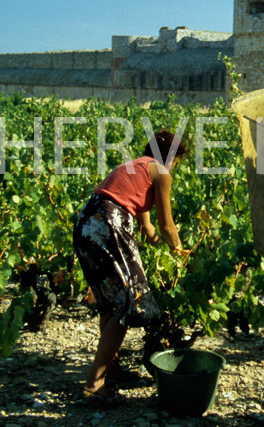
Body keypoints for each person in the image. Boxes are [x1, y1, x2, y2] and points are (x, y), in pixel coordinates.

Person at [72, 129, 189, 400]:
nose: (175, 166)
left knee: (109, 303)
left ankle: (111, 370)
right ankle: (94, 384)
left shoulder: (136, 167)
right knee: (129, 302)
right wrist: (180, 253)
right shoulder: (160, 172)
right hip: (109, 224)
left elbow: (149, 230)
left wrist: (161, 248)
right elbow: (167, 226)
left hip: (86, 223)